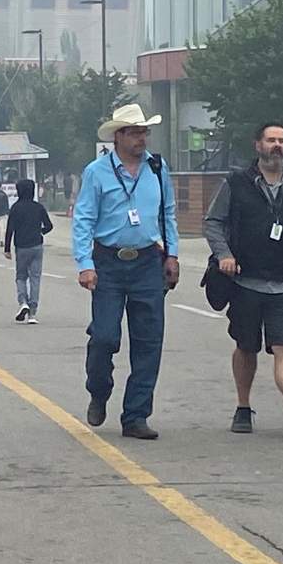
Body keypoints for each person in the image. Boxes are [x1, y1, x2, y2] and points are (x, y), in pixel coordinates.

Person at [204, 122, 283, 441]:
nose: (277, 146)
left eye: (282, 141)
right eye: (271, 140)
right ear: (257, 145)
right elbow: (213, 223)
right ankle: (243, 407)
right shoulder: (236, 183)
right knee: (246, 346)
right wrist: (224, 255)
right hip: (245, 282)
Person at [73, 104, 179, 440]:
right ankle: (99, 389)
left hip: (148, 261)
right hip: (108, 262)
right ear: (118, 136)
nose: (141, 138)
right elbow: (84, 219)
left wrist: (172, 255)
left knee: (149, 341)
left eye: (144, 132)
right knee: (105, 336)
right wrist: (85, 264)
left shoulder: (158, 168)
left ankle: (135, 415)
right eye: (134, 132)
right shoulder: (97, 172)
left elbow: (168, 214)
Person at [4, 178, 53, 324]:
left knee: (21, 276)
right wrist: (40, 232)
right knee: (35, 278)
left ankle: (23, 302)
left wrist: (7, 248)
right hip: (37, 245)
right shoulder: (38, 207)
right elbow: (49, 226)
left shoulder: (16, 208)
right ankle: (32, 313)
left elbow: (10, 229)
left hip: (22, 246)